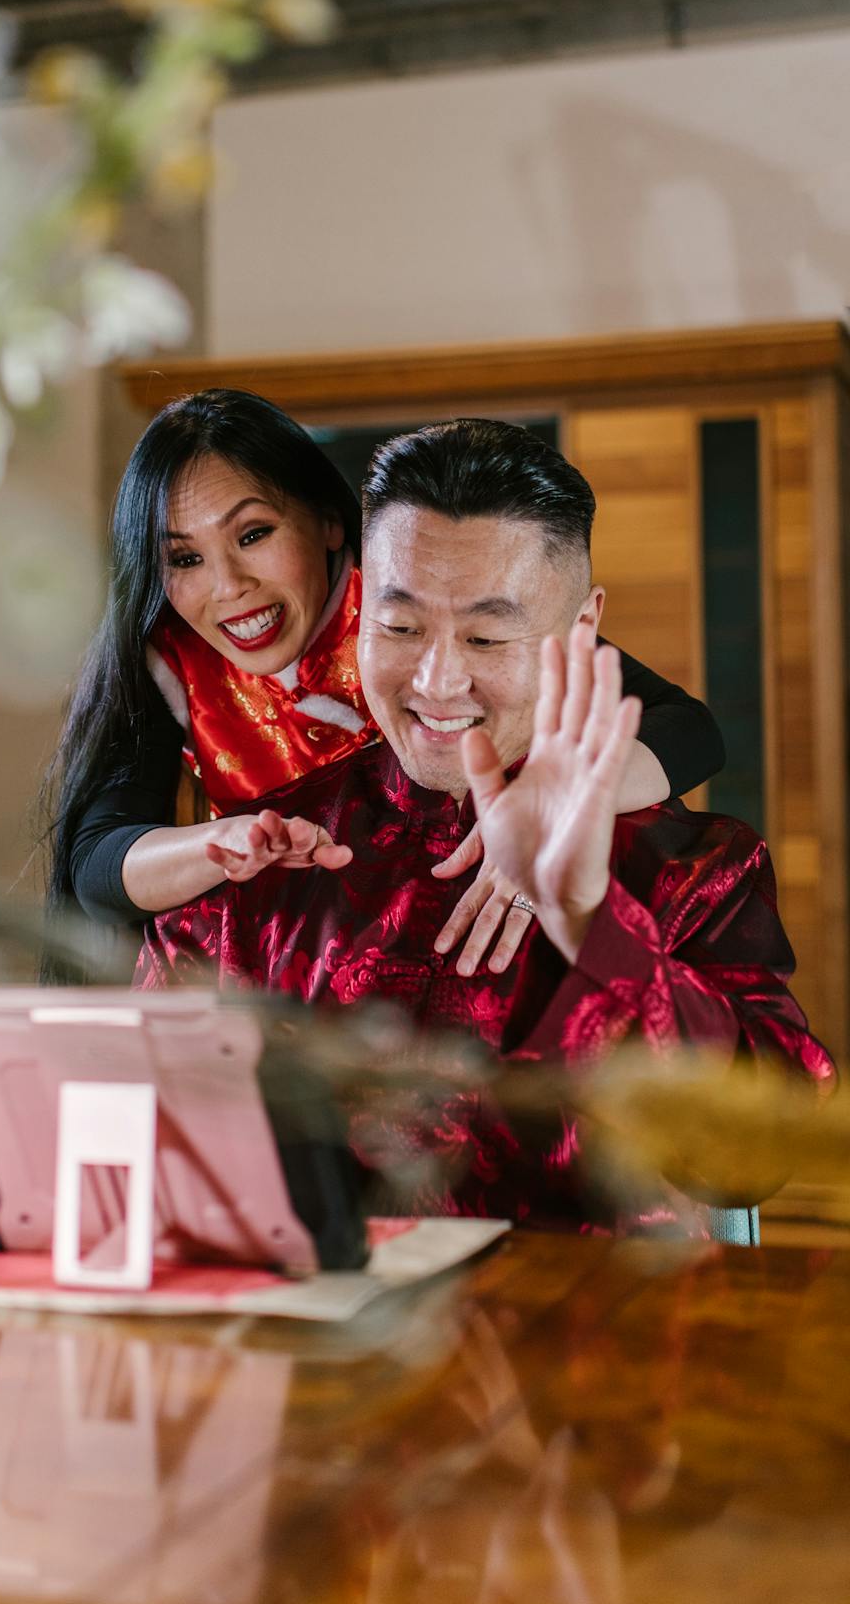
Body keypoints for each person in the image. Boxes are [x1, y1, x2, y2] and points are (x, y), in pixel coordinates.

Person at [134, 419, 833, 1232]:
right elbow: (140, 1150)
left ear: (581, 631)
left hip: (590, 1310)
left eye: (486, 636)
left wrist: (598, 930)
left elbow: (756, 1157)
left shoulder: (693, 871)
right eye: (400, 628)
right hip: (321, 1310)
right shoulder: (264, 863)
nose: (437, 681)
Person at [45, 390, 725, 974]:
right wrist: (231, 844)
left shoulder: (423, 593)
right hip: (321, 955)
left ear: (328, 522)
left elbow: (686, 727)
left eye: (253, 535)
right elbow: (97, 865)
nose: (228, 587)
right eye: (185, 558)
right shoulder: (172, 661)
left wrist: (558, 804)